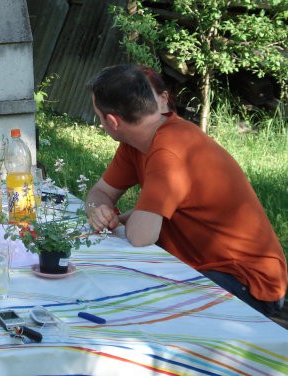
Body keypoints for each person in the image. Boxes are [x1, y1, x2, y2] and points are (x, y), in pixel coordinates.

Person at [85, 64, 287, 317]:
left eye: (98, 115)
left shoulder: (170, 149)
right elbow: (99, 192)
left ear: (112, 121)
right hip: (204, 266)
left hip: (248, 282)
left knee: (138, 310)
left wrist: (127, 215)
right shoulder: (136, 143)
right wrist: (99, 210)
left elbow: (140, 236)